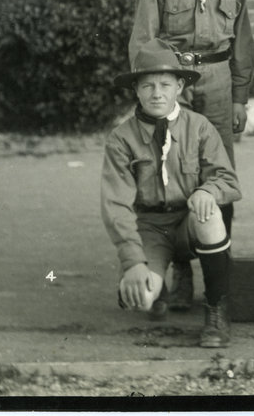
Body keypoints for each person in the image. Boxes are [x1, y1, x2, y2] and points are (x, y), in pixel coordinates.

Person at [128, 0, 254, 310]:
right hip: (174, 82)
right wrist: (153, 96)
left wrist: (240, 96)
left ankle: (219, 271)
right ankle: (181, 271)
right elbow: (143, 44)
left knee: (219, 174)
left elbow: (242, 44)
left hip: (217, 81)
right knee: (176, 170)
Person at [101, 39, 242, 348]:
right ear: (136, 89)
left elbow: (228, 180)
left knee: (211, 213)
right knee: (141, 298)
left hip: (189, 222)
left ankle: (216, 311)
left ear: (180, 86)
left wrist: (208, 190)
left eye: (165, 84)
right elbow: (116, 205)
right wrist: (133, 260)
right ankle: (157, 282)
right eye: (148, 85)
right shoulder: (121, 139)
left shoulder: (200, 126)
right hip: (150, 226)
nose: (157, 93)